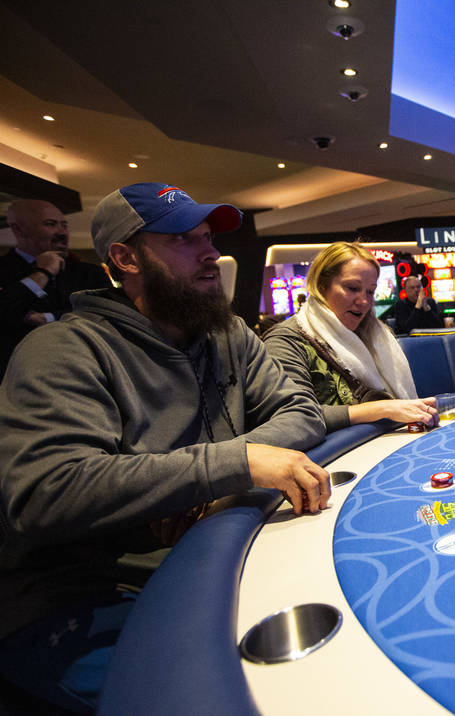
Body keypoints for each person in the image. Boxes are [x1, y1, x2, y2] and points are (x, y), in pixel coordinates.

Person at [0, 182, 330, 712]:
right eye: (184, 239)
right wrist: (237, 463)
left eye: (207, 237)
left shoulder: (230, 333)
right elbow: (46, 493)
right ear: (125, 258)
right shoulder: (62, 348)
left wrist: (221, 480)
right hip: (83, 596)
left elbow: (301, 413)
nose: (210, 253)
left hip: (203, 559)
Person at [264, 242, 437, 432]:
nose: (363, 301)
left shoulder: (376, 333)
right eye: (353, 288)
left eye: (370, 291)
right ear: (321, 285)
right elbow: (294, 418)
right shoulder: (286, 341)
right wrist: (381, 409)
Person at [0, 199, 111, 378]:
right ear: (18, 229)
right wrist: (42, 273)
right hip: (14, 376)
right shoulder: (3, 269)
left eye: (64, 225)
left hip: (82, 372)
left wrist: (48, 318)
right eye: (50, 224)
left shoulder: (90, 273)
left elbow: (104, 317)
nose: (62, 232)